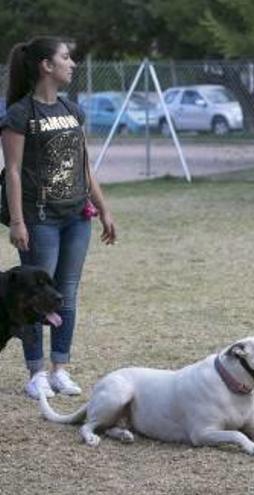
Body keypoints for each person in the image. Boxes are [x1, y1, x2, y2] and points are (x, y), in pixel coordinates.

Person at [0, 37, 117, 400]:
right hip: (39, 219)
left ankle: (60, 370)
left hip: (76, 216)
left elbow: (84, 164)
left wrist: (103, 208)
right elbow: (14, 171)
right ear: (45, 66)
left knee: (65, 293)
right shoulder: (20, 114)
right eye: (66, 58)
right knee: (32, 297)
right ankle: (35, 373)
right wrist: (18, 221)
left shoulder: (71, 109)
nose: (73, 64)